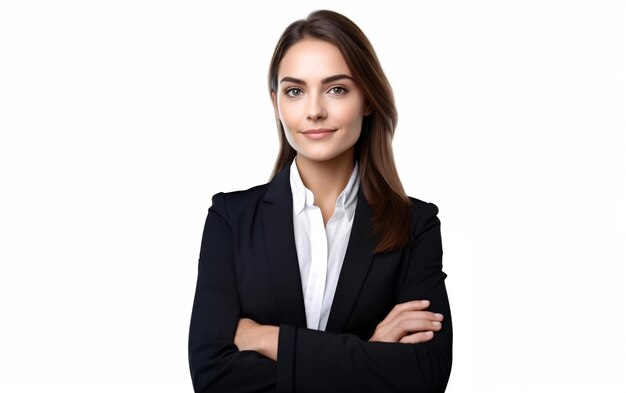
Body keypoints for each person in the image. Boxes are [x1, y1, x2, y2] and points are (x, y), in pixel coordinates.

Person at [188, 9, 453, 393]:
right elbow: (213, 377)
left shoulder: (416, 224)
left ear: (367, 98)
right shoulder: (231, 219)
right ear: (276, 101)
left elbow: (425, 376)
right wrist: (370, 353)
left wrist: (270, 340)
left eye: (337, 89)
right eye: (295, 91)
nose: (314, 110)